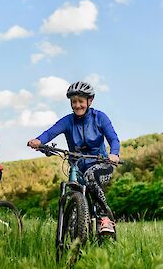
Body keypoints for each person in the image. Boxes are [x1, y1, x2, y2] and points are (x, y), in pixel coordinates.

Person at [27, 81, 121, 234]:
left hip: (101, 164)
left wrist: (114, 154)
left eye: (81, 101)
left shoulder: (100, 117)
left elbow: (113, 138)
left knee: (91, 176)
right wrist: (39, 141)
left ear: (90, 101)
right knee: (71, 184)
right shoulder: (68, 121)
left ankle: (104, 218)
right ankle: (76, 219)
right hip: (77, 165)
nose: (77, 105)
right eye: (74, 102)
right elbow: (50, 132)